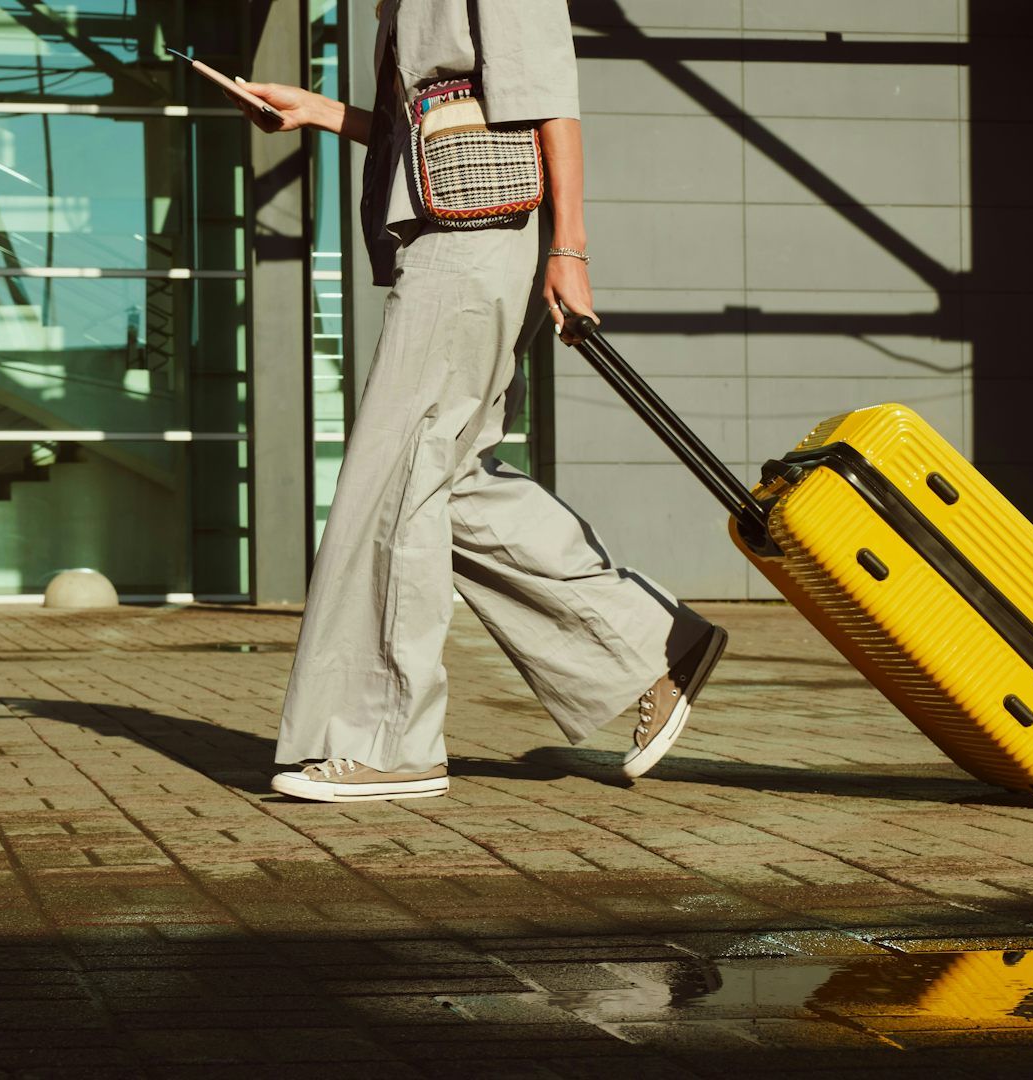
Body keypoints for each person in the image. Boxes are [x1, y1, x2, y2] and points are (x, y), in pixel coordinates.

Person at [225, 0, 726, 803]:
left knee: (393, 481)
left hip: (479, 238)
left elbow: (550, 94)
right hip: (453, 231)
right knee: (451, 480)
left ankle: (392, 741)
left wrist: (570, 248)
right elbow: (426, 121)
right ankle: (649, 647)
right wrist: (319, 112)